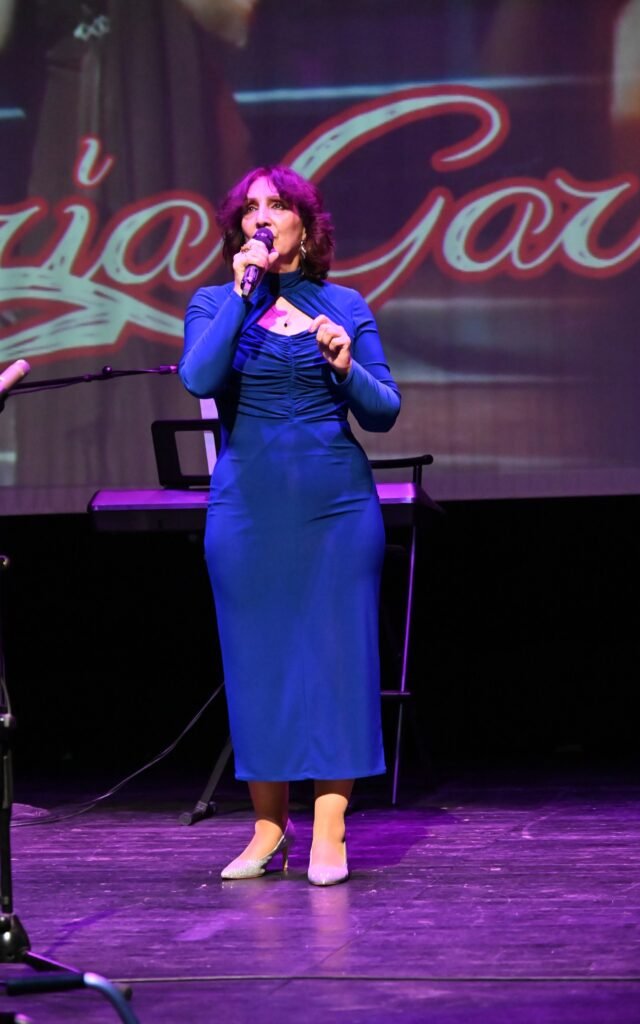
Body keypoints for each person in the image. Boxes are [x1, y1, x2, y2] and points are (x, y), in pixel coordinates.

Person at [180, 165, 401, 885]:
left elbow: (383, 411)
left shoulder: (344, 304)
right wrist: (241, 295)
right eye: (249, 209)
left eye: (276, 206)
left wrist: (345, 365)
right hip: (247, 507)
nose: (261, 217)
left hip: (336, 507)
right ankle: (269, 828)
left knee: (338, 661)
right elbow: (199, 378)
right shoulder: (216, 302)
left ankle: (330, 827)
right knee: (258, 665)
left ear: (305, 226)